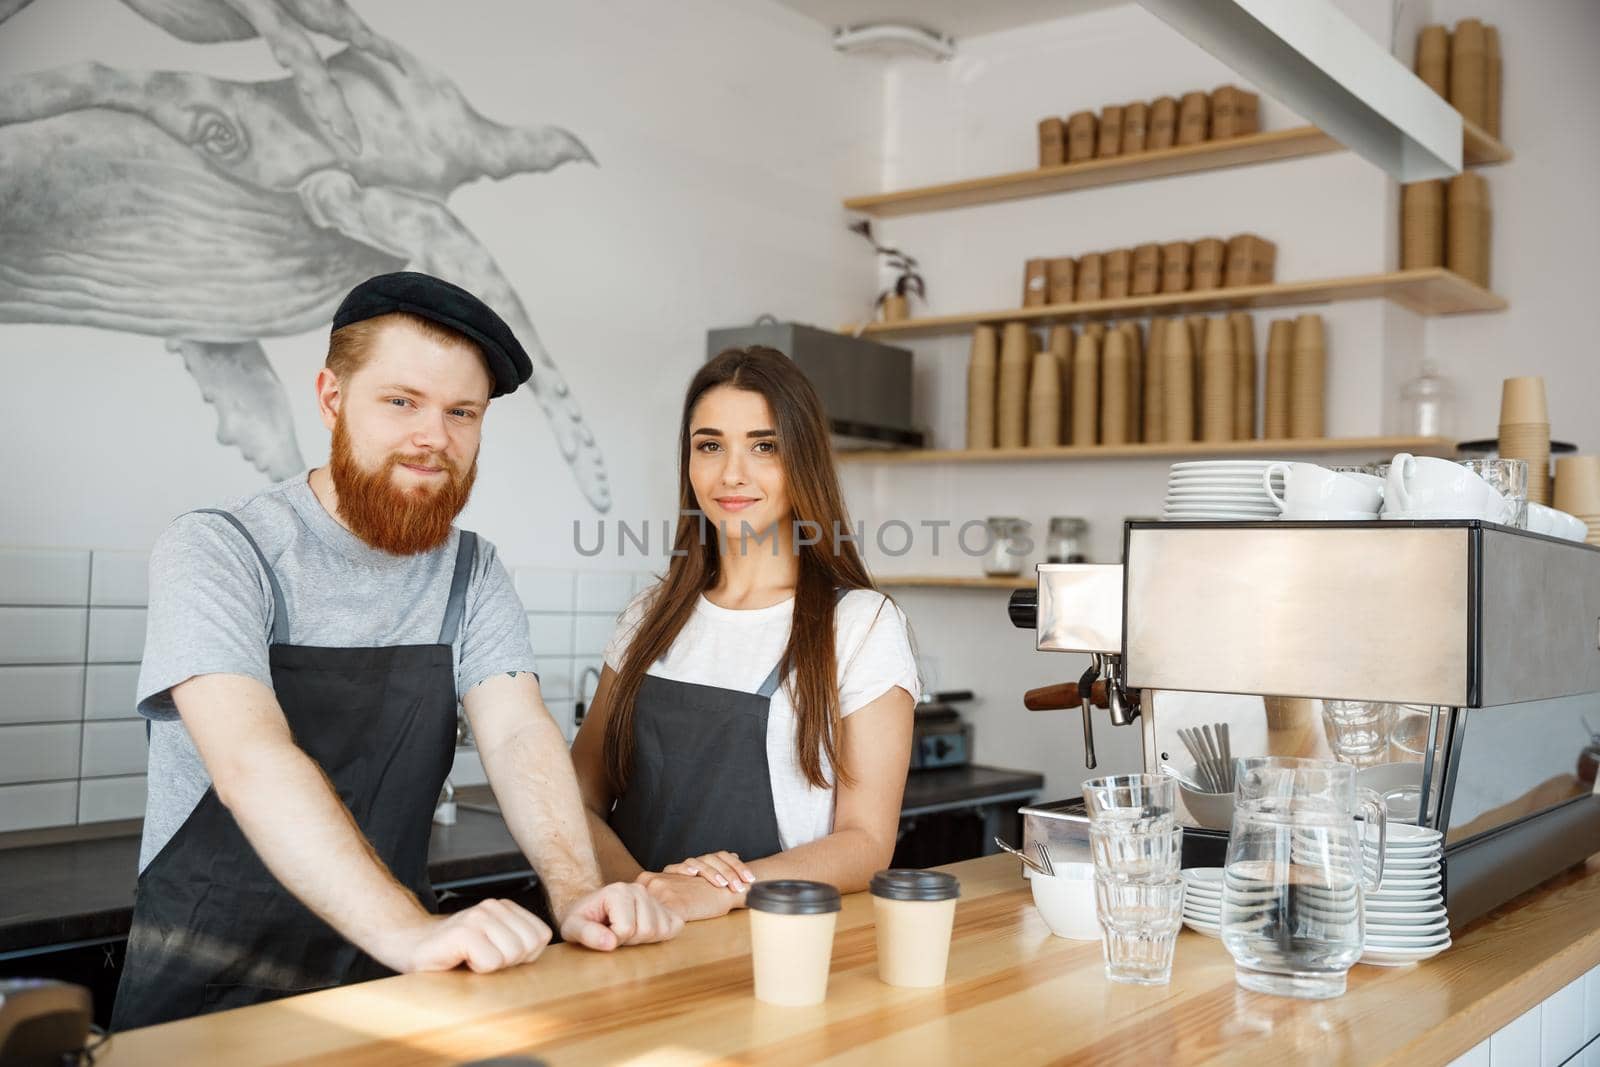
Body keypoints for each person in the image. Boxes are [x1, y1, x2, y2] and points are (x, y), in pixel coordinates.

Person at [111, 272, 680, 1031]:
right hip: (207, 999)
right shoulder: (219, 550)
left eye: (461, 412)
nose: (433, 437)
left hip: (391, 990)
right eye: (401, 400)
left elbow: (517, 734)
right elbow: (252, 760)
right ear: (331, 398)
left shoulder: (472, 572)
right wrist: (411, 929)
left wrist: (576, 890)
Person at [569, 346, 919, 921]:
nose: (732, 473)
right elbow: (576, 797)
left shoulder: (861, 625)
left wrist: (720, 890)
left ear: (801, 461)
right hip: (628, 932)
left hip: (774, 940)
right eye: (710, 446)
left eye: (764, 446)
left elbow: (865, 843)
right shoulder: (647, 618)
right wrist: (647, 894)